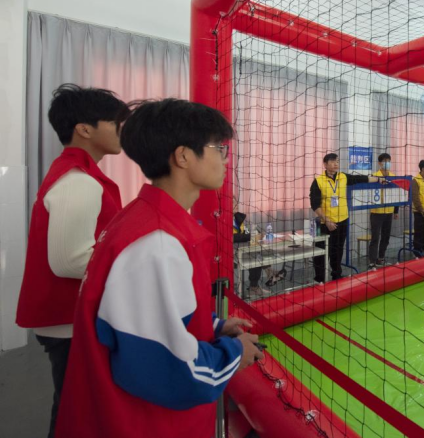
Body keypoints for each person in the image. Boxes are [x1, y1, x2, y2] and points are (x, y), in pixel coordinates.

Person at [54, 99, 263, 438]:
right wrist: (236, 352)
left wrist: (213, 326)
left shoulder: (142, 217)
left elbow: (147, 316)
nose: (227, 160)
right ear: (183, 156)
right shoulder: (158, 242)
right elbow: (170, 368)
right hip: (142, 423)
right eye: (219, 148)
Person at [15, 84, 130, 438]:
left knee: (74, 405)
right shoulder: (78, 180)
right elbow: (68, 261)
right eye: (115, 122)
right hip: (69, 319)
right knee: (76, 411)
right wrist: (134, 266)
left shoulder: (76, 173)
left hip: (69, 317)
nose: (121, 130)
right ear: (84, 129)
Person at [310, 153, 387, 282]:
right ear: (325, 164)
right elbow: (315, 205)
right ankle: (320, 279)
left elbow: (361, 178)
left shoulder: (343, 177)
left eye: (337, 161)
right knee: (321, 253)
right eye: (332, 161)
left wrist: (378, 179)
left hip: (342, 221)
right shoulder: (318, 181)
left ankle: (336, 275)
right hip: (326, 224)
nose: (336, 164)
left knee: (338, 250)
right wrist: (327, 220)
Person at [368, 153, 398, 269]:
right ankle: (372, 261)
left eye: (389, 161)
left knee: (386, 237)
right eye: (385, 161)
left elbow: (396, 195)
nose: (387, 163)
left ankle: (381, 258)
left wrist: (396, 211)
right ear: (379, 163)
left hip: (389, 211)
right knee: (375, 237)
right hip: (376, 212)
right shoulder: (374, 176)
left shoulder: (393, 176)